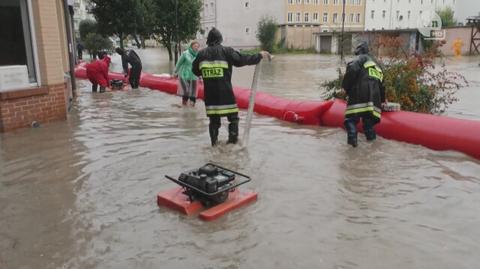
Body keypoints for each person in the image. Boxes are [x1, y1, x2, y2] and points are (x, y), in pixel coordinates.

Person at [192, 28, 270, 146]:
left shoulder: (201, 54)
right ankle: (232, 145)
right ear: (220, 40)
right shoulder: (226, 51)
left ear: (208, 41)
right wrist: (259, 55)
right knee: (233, 119)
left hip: (210, 96)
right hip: (226, 95)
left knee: (214, 121)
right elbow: (242, 59)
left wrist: (207, 73)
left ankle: (214, 145)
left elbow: (195, 71)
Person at [342, 42, 386, 147]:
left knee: (350, 121)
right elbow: (382, 85)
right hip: (374, 100)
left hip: (359, 95)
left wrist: (345, 88)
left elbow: (352, 69)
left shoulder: (361, 58)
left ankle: (352, 148)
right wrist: (383, 100)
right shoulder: (378, 65)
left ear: (359, 52)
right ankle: (372, 146)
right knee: (368, 125)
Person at [174, 41, 200, 106]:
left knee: (193, 94)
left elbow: (200, 66)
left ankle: (192, 111)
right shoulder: (185, 53)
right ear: (191, 46)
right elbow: (179, 63)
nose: (196, 48)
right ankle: (184, 108)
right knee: (186, 93)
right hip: (185, 76)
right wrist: (175, 72)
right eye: (195, 46)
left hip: (194, 76)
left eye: (197, 46)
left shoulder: (199, 55)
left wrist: (201, 76)